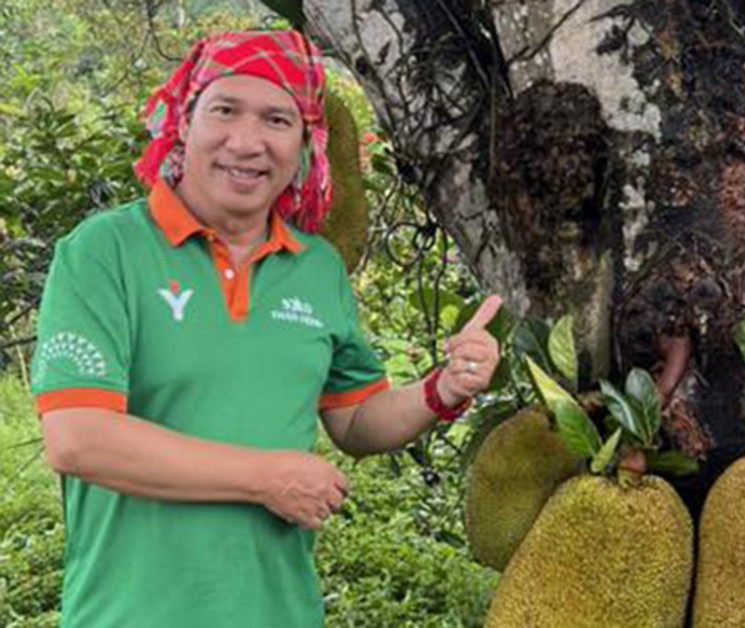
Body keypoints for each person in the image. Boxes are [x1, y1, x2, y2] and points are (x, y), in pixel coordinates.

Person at [31, 30, 501, 627]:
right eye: (224, 110)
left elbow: (356, 420)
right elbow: (78, 439)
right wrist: (265, 478)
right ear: (185, 121)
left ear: (305, 142)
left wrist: (444, 389)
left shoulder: (317, 268)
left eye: (277, 120)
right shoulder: (105, 252)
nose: (247, 142)